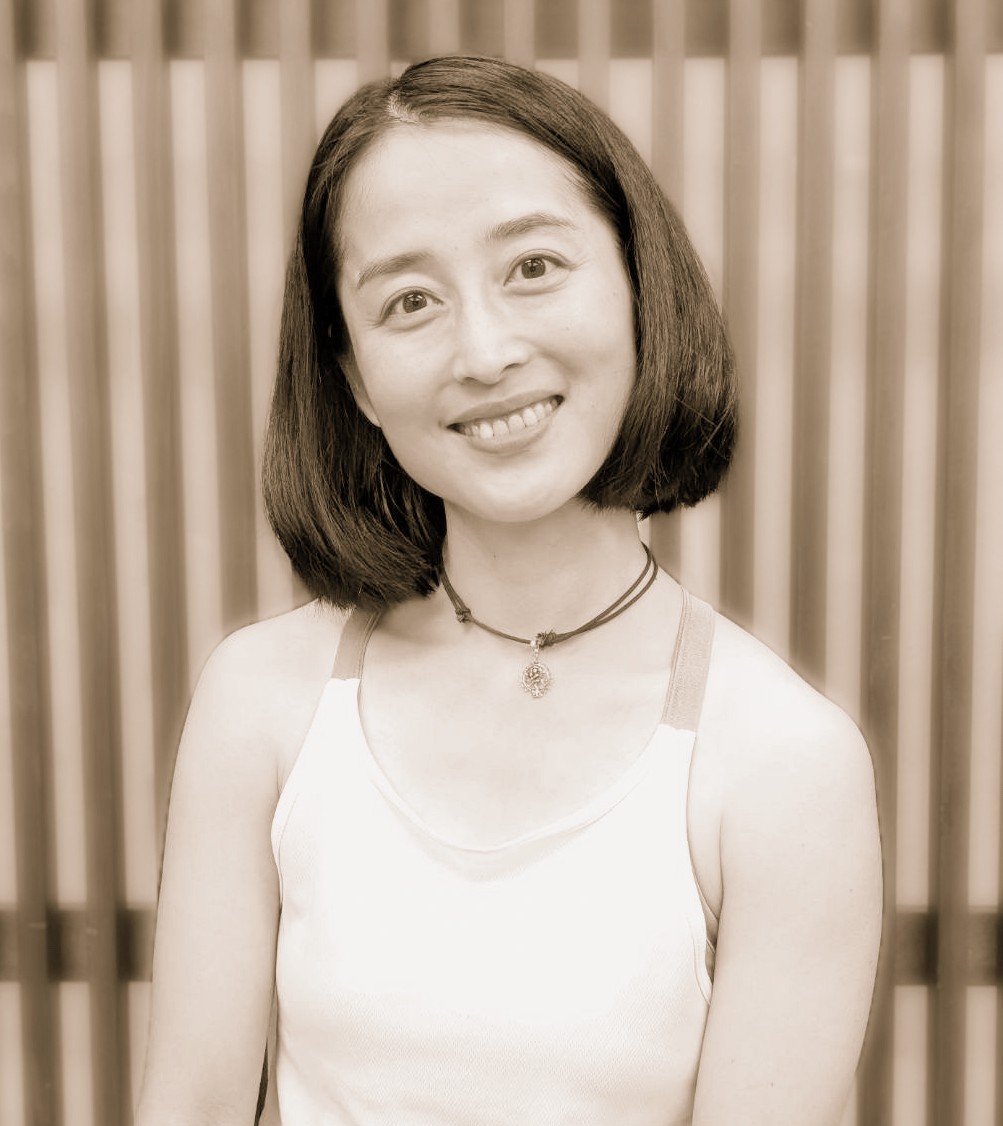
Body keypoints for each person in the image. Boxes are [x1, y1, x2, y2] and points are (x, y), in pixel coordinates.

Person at [135, 54, 882, 1126]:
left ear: (639, 289)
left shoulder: (782, 761)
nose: (484, 352)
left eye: (533, 266)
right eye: (410, 301)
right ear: (353, 378)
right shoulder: (262, 699)